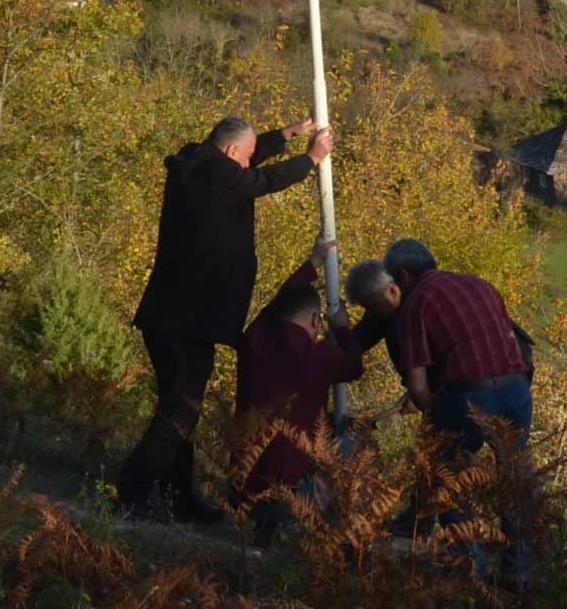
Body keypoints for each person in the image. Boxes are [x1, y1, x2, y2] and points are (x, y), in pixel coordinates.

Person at [117, 113, 334, 523]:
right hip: (190, 321)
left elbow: (245, 163)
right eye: (247, 156)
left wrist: (284, 135)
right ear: (232, 152)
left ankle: (177, 497)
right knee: (179, 413)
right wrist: (311, 158)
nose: (250, 163)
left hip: (174, 316)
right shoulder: (218, 177)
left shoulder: (199, 164)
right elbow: (262, 181)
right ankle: (131, 492)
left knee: (176, 411)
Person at [343, 239, 530, 457]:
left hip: (468, 397)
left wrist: (433, 416)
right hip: (517, 388)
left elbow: (417, 385)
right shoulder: (480, 284)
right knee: (519, 470)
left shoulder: (416, 302)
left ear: (402, 277)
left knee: (438, 473)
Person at [232, 237, 365, 534]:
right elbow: (355, 366)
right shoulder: (314, 356)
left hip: (241, 487)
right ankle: (340, 534)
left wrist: (313, 262)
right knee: (358, 438)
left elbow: (279, 303)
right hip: (288, 495)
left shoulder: (254, 338)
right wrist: (343, 328)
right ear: (317, 319)